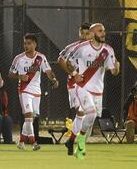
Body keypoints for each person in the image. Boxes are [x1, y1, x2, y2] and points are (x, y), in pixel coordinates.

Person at [67, 23, 120, 159]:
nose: (103, 33)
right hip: (83, 88)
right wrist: (74, 74)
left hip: (98, 91)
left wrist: (116, 68)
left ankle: (78, 141)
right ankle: (80, 140)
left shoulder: (108, 50)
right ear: (92, 34)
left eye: (104, 31)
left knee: (91, 118)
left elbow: (113, 71)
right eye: (100, 31)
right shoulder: (82, 48)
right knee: (90, 113)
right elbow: (68, 61)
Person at [8, 33, 59, 151]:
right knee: (29, 116)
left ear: (35, 44)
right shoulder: (18, 58)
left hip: (36, 91)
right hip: (24, 90)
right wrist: (20, 76)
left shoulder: (41, 58)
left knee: (32, 117)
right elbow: (10, 74)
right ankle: (33, 142)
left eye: (29, 43)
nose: (26, 46)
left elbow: (48, 71)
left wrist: (54, 79)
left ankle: (21, 142)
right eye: (25, 43)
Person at [57, 22, 94, 155]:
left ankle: (71, 140)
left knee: (83, 113)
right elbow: (60, 59)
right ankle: (76, 140)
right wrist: (73, 74)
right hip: (74, 84)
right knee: (81, 111)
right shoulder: (72, 47)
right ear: (79, 33)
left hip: (89, 85)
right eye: (82, 33)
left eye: (87, 33)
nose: (84, 36)